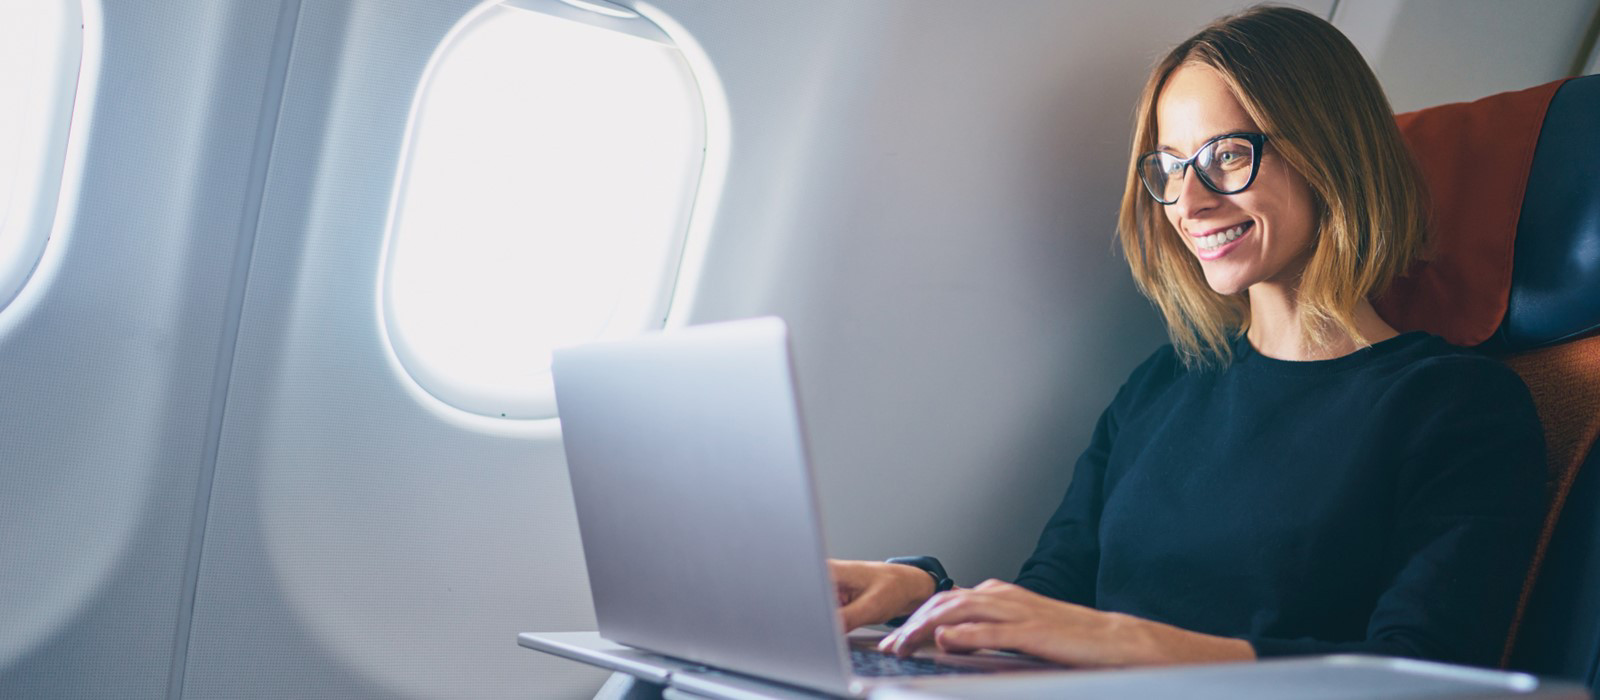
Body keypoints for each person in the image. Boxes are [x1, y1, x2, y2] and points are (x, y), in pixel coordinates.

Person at [831, 5, 1545, 670]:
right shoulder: (1162, 384)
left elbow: (1417, 675)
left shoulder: (1461, 408)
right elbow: (1050, 601)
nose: (1188, 201)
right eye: (1169, 166)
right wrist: (921, 590)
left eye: (1226, 156)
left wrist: (1131, 641)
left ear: (1329, 151)